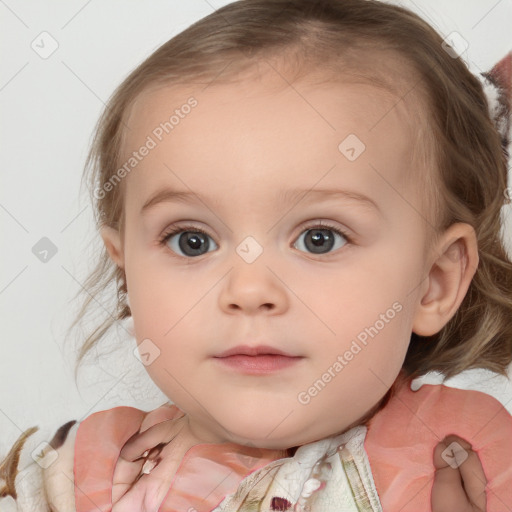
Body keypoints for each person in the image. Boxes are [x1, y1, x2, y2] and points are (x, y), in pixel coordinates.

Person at [1, 0, 511, 510]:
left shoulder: (472, 467)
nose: (248, 291)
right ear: (127, 270)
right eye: (191, 241)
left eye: (320, 238)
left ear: (434, 281)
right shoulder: (70, 477)